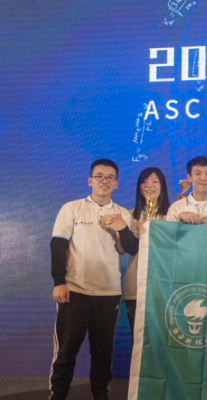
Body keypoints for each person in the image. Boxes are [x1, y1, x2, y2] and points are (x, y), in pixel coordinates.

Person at [49, 159, 135, 400]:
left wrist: (121, 228)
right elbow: (58, 245)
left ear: (116, 184)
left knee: (103, 352)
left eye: (110, 177)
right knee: (66, 351)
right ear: (90, 181)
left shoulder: (122, 213)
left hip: (108, 293)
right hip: (74, 291)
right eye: (99, 176)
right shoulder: (72, 208)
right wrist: (59, 281)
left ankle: (100, 395)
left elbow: (131, 248)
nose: (104, 181)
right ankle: (58, 395)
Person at [119, 167, 170, 337]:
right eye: (144, 182)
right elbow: (122, 249)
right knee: (138, 339)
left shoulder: (172, 213)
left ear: (162, 186)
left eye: (155, 181)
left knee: (163, 339)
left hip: (164, 286)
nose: (149, 185)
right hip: (135, 285)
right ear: (139, 187)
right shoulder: (129, 215)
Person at [166, 156, 207, 225]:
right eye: (198, 173)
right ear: (189, 178)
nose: (203, 178)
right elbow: (168, 231)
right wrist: (179, 219)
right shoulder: (176, 207)